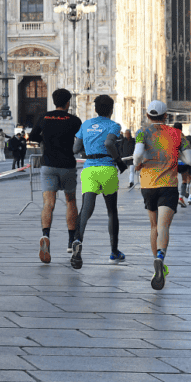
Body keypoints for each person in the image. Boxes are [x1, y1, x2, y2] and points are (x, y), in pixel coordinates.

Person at [132, 100, 191, 289]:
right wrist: (177, 155)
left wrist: (137, 163)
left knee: (154, 226)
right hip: (168, 184)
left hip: (148, 184)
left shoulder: (142, 132)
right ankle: (161, 257)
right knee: (164, 226)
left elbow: (137, 155)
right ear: (166, 116)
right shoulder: (177, 134)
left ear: (147, 115)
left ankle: (155, 262)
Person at [70, 94, 126, 269]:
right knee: (111, 211)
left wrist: (89, 150)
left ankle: (77, 240)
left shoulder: (86, 124)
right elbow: (109, 143)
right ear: (111, 109)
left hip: (89, 170)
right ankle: (114, 252)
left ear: (94, 109)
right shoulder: (113, 125)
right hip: (107, 169)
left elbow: (75, 148)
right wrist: (118, 161)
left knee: (86, 209)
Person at [27, 88, 81, 263]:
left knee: (48, 203)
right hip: (67, 165)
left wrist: (46, 141)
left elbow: (32, 136)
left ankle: (46, 235)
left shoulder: (44, 117)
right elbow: (81, 141)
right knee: (70, 201)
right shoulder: (74, 120)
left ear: (53, 101)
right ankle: (71, 240)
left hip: (48, 165)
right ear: (68, 103)